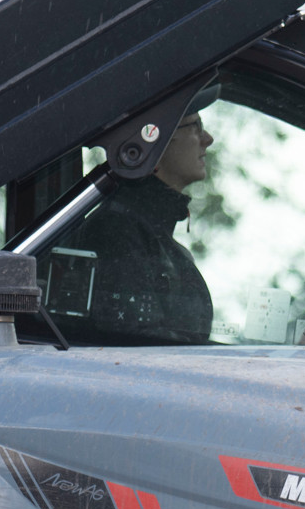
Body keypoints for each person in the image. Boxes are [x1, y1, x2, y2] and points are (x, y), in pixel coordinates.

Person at [80, 92, 218, 344]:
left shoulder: (147, 233)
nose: (207, 139)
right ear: (153, 141)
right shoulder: (117, 232)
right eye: (195, 127)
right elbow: (142, 348)